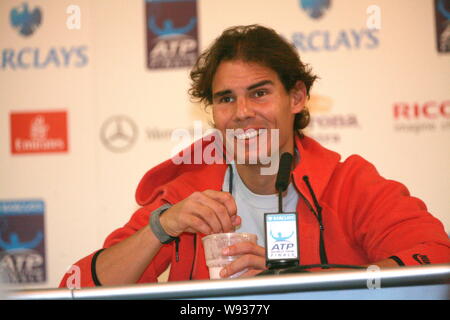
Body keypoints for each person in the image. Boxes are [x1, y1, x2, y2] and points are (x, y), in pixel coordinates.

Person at [60, 25, 450, 287]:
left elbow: (437, 263)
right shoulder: (186, 196)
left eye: (259, 93)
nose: (242, 111)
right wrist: (160, 228)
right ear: (212, 111)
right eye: (226, 98)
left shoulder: (350, 184)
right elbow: (74, 288)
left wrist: (297, 280)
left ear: (296, 97)